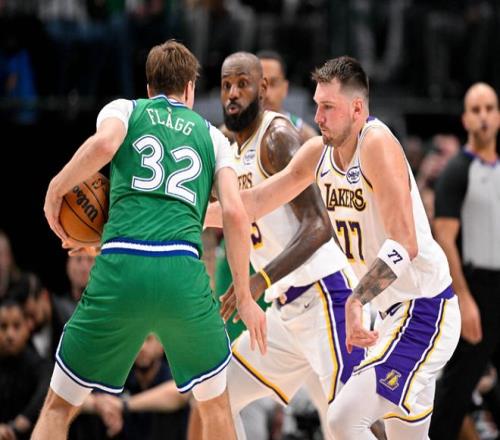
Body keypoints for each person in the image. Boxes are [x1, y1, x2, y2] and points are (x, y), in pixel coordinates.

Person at [207, 55, 461, 439]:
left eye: (328, 107)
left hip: (425, 310)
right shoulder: (318, 152)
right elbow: (255, 202)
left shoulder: (376, 143)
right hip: (389, 316)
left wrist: (357, 299)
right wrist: (190, 214)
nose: (318, 117)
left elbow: (405, 242)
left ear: (357, 109)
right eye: (317, 106)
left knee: (343, 418)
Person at [31, 39, 266, 440]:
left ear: (148, 86)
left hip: (122, 266)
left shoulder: (126, 109)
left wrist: (55, 190)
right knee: (215, 407)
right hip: (182, 271)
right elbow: (235, 213)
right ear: (190, 89)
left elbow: (105, 145)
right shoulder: (213, 137)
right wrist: (244, 297)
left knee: (58, 406)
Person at [206, 51, 366, 440]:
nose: (232, 93)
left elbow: (319, 226)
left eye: (242, 84)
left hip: (325, 297)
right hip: (286, 312)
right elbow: (222, 213)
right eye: (226, 85)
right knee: (216, 395)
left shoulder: (277, 138)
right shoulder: (230, 150)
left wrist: (258, 279)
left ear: (262, 89)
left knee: (353, 422)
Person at [430, 82, 500, 439]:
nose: (483, 116)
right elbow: (444, 238)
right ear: (465, 119)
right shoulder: (457, 170)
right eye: (476, 110)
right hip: (475, 288)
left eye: (489, 108)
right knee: (457, 388)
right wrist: (464, 298)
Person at [0, 298, 51, 439]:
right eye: (3, 326)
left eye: (16, 326)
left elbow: (47, 385)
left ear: (27, 326)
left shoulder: (37, 364)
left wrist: (24, 418)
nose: (10, 335)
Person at [257, 50, 318, 142]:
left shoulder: (306, 136)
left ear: (285, 88)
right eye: (261, 84)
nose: (267, 93)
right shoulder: (237, 131)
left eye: (273, 83)